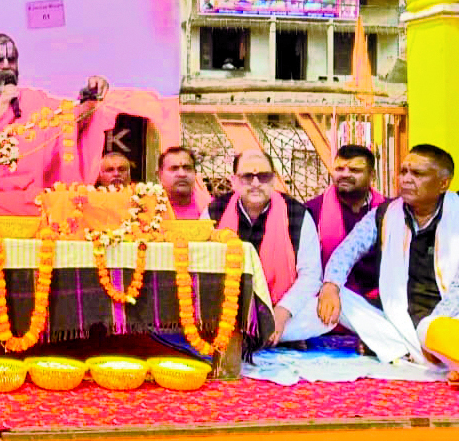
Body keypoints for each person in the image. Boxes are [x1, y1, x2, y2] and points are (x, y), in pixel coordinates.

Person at [321, 145, 459, 384]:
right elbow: (348, 250)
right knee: (333, 295)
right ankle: (425, 354)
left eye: (417, 173)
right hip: (399, 318)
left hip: (449, 318)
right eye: (403, 171)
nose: (406, 179)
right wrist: (330, 285)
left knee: (433, 329)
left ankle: (418, 351)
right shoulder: (385, 214)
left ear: (443, 183)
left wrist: (431, 331)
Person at [0, 33, 113, 223]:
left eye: (12, 60)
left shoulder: (34, 100)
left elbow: (71, 118)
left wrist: (91, 96)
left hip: (29, 196)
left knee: (57, 202)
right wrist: (0, 109)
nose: (6, 66)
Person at [203, 150, 324, 344]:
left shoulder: (297, 214)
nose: (256, 183)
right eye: (247, 176)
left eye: (263, 176)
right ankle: (260, 336)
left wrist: (282, 312)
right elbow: (201, 266)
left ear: (274, 180)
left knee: (329, 306)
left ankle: (257, 336)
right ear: (234, 181)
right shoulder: (214, 212)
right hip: (228, 310)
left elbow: (311, 275)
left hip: (280, 308)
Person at [304, 145, 387, 300]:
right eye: (339, 169)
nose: (345, 174)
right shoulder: (312, 211)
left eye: (355, 170)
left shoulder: (388, 212)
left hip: (381, 299)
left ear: (372, 175)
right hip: (327, 299)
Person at [156, 146, 210, 219]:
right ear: (159, 175)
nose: (182, 174)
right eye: (174, 168)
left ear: (195, 173)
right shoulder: (147, 208)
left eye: (187, 168)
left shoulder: (212, 209)